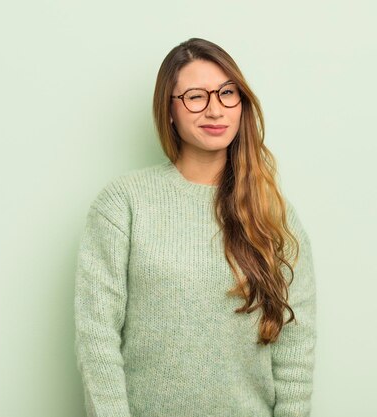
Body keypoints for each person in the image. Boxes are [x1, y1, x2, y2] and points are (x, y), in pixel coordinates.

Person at [74, 38, 316, 417]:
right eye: (195, 97)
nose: (215, 110)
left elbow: (295, 347)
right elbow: (97, 337)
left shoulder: (272, 214)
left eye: (227, 93)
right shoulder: (124, 203)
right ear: (169, 110)